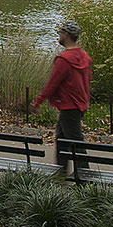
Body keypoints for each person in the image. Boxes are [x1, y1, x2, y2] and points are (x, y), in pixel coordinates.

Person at [30, 19, 92, 175]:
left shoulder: (64, 59)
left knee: (76, 142)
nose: (58, 36)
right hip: (79, 105)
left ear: (66, 35)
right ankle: (62, 171)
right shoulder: (84, 56)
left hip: (69, 106)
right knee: (62, 139)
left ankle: (84, 175)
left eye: (60, 33)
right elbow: (86, 82)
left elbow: (52, 84)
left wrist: (37, 102)